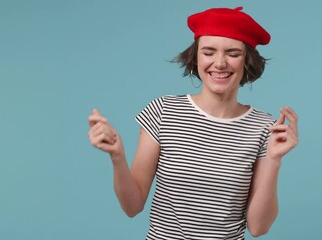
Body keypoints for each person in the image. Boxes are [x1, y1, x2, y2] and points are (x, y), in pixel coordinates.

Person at [88, 6, 298, 239]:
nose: (219, 63)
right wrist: (117, 157)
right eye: (208, 52)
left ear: (247, 60)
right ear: (195, 57)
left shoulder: (264, 127)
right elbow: (132, 207)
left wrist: (274, 159)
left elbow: (259, 228)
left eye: (233, 53)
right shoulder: (162, 111)